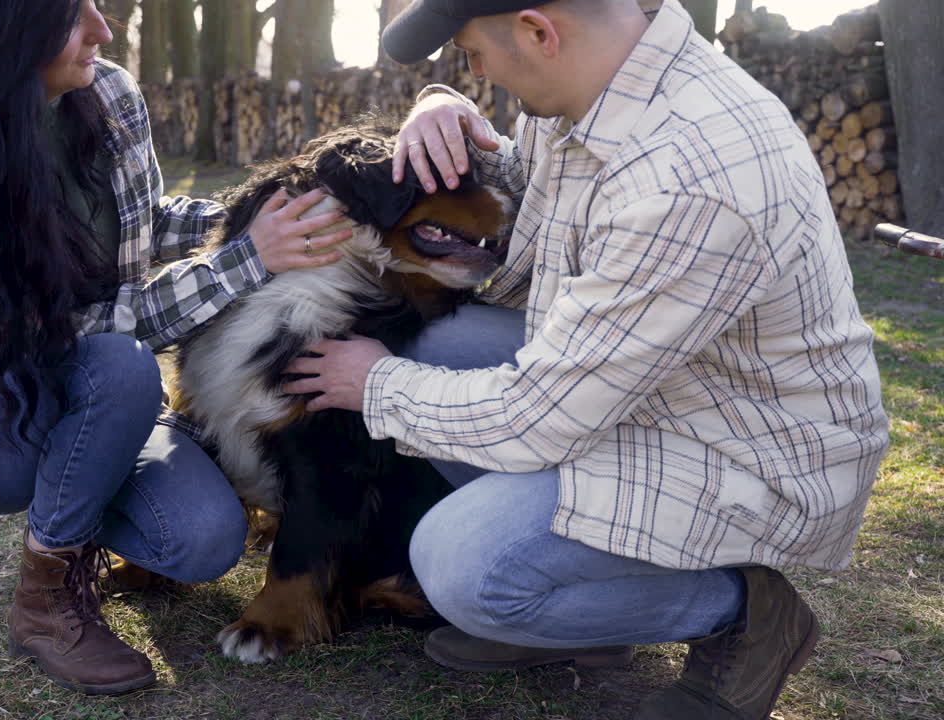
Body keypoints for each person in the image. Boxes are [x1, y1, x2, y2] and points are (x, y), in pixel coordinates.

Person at [282, 1, 889, 718]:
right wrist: (441, 110)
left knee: (464, 567)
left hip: (745, 450)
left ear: (540, 32)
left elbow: (540, 420)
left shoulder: (692, 172)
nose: (477, 74)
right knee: (440, 345)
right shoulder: (591, 95)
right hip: (652, 390)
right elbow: (530, 218)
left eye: (473, 56)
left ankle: (744, 611)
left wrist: (374, 385)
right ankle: (576, 617)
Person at [0, 0, 350, 696]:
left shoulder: (108, 93)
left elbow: (151, 222)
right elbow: (57, 339)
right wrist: (246, 261)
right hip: (7, 413)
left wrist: (258, 218)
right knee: (120, 365)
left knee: (202, 543)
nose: (102, 31)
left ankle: (86, 485)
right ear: (5, 32)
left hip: (108, 400)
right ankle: (44, 603)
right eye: (74, 16)